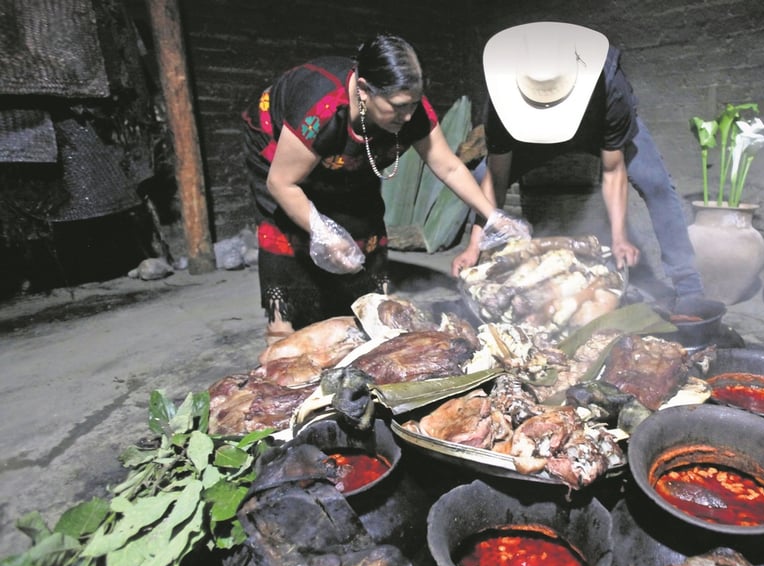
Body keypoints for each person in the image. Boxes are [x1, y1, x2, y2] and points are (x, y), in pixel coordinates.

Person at [243, 34, 505, 344]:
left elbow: (448, 166)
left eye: (413, 104)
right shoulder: (321, 108)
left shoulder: (406, 110)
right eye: (398, 107)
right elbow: (281, 183)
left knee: (361, 212)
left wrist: (494, 216)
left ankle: (367, 304)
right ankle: (281, 328)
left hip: (346, 150)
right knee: (288, 228)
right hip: (280, 148)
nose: (408, 116)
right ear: (364, 89)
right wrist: (320, 230)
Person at [451, 22, 705, 307]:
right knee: (479, 174)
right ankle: (484, 274)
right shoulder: (502, 99)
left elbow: (613, 169)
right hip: (529, 134)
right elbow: (496, 179)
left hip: (594, 127)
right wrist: (473, 246)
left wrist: (620, 236)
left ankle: (688, 286)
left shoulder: (609, 85)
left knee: (656, 183)